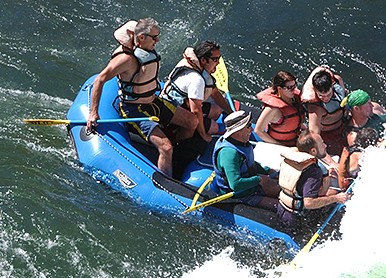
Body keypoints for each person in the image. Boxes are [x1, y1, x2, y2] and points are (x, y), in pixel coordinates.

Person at [87, 18, 197, 177]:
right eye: (154, 37)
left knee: (192, 121)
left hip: (153, 101)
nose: (157, 41)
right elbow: (100, 79)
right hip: (134, 110)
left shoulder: (146, 51)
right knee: (165, 148)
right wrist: (93, 112)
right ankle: (165, 180)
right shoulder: (124, 59)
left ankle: (176, 157)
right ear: (141, 38)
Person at [277, 130, 351, 244]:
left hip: (283, 209)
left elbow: (301, 182)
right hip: (299, 220)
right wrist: (337, 199)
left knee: (332, 192)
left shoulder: (294, 158)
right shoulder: (313, 171)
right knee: (340, 206)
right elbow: (309, 203)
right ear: (313, 151)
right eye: (322, 144)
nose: (325, 145)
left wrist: (325, 176)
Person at [161, 40, 233, 143]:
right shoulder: (196, 79)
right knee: (213, 128)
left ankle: (190, 131)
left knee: (217, 111)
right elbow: (195, 111)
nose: (218, 62)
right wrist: (203, 135)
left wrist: (231, 113)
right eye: (215, 59)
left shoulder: (197, 68)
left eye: (219, 58)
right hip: (171, 114)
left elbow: (214, 93)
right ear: (203, 60)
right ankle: (177, 139)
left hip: (182, 106)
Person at [211, 110, 280, 211]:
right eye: (248, 126)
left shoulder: (242, 142)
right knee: (282, 207)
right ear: (238, 130)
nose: (251, 129)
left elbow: (248, 163)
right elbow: (235, 184)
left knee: (285, 189)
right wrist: (259, 179)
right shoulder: (229, 153)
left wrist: (268, 170)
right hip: (241, 196)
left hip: (252, 186)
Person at [300, 66, 349, 157]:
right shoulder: (315, 109)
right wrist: (332, 163)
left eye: (329, 94)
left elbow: (345, 99)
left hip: (344, 123)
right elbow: (314, 139)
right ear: (315, 90)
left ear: (332, 86)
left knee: (374, 107)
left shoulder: (338, 80)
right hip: (329, 135)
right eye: (321, 96)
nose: (326, 98)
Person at [254, 70, 306, 146]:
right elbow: (258, 131)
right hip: (280, 145)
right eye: (289, 88)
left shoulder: (296, 100)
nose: (293, 90)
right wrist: (278, 145)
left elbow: (294, 120)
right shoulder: (273, 109)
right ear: (280, 89)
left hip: (295, 141)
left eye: (294, 86)